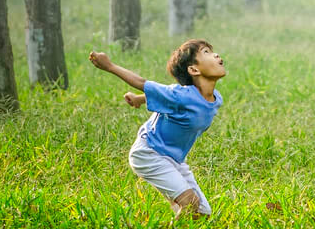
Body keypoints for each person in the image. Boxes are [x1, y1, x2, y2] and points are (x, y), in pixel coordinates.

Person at [88, 40, 226, 219]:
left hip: (174, 160)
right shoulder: (181, 95)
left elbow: (167, 98)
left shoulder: (216, 99)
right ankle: (179, 203)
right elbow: (142, 82)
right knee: (190, 203)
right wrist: (110, 66)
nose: (215, 55)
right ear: (193, 70)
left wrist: (139, 99)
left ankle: (179, 207)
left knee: (201, 214)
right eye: (206, 52)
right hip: (149, 153)